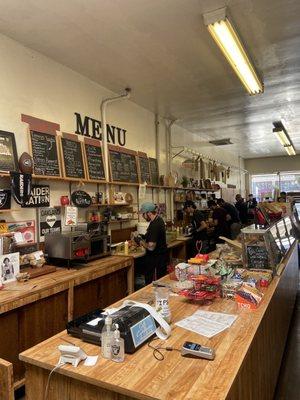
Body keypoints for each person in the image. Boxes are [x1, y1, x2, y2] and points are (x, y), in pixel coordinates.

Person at [136, 202, 167, 284]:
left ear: (149, 213)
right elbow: (148, 236)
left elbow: (151, 247)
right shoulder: (157, 220)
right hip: (159, 259)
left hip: (156, 260)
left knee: (154, 285)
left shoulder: (155, 225)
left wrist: (140, 242)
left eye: (143, 214)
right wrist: (139, 236)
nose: (143, 216)